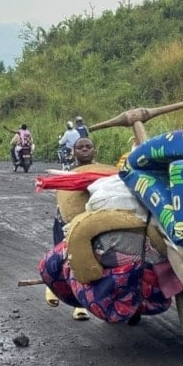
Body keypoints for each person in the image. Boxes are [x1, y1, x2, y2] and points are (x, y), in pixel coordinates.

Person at [46, 136, 110, 320]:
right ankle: (78, 305)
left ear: (94, 150)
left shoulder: (103, 171)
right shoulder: (64, 172)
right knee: (72, 260)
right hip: (67, 221)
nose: (84, 150)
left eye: (88, 146)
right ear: (73, 152)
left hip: (96, 219)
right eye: (80, 147)